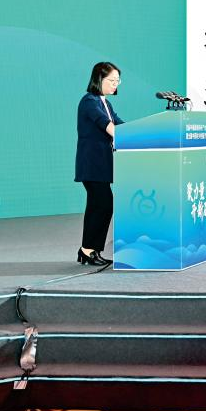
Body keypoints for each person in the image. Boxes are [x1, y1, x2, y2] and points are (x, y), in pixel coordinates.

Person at [75, 62, 125, 266]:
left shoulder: (105, 103)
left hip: (102, 164)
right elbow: (107, 125)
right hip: (92, 163)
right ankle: (87, 249)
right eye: (111, 80)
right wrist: (120, 132)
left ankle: (90, 250)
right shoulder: (89, 101)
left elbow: (120, 124)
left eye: (118, 81)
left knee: (99, 205)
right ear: (99, 79)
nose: (115, 84)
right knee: (102, 204)